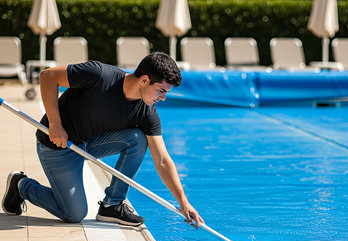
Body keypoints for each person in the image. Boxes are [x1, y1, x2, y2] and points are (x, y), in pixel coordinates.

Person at [2, 52, 204, 228]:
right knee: (73, 214)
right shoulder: (99, 75)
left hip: (87, 144)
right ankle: (21, 185)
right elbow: (48, 77)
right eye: (161, 90)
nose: (163, 98)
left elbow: (162, 159)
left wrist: (183, 202)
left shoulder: (147, 112)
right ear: (144, 80)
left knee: (137, 139)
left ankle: (112, 206)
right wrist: (55, 124)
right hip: (57, 145)